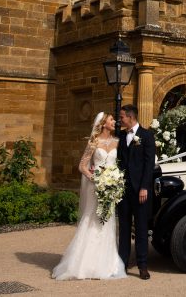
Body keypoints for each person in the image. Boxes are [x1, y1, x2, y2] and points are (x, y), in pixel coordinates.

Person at [51, 112, 128, 281]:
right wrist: (95, 179)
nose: (114, 121)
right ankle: (82, 263)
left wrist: (115, 180)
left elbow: (120, 164)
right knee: (92, 219)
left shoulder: (117, 142)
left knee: (107, 222)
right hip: (96, 188)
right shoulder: (93, 142)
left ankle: (106, 263)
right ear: (103, 123)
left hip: (111, 188)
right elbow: (82, 166)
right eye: (111, 119)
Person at [117, 103, 155, 280]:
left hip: (140, 191)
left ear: (130, 117)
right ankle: (122, 264)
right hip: (123, 191)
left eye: (122, 117)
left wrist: (144, 187)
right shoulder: (120, 136)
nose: (120, 120)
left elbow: (149, 165)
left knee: (141, 229)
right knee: (124, 229)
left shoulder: (147, 135)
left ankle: (142, 266)